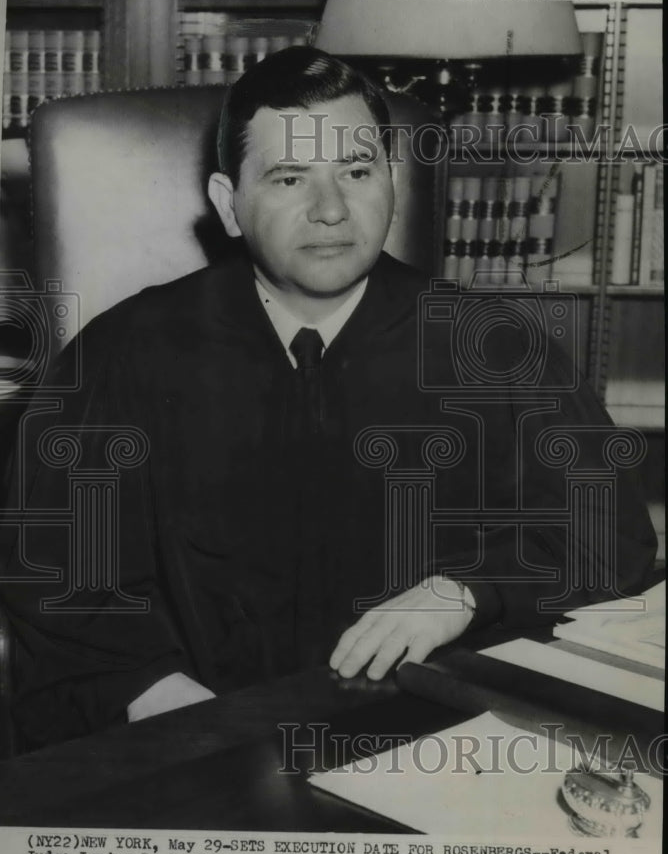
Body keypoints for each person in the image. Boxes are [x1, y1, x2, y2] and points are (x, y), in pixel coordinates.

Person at [1, 47, 657, 748]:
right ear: (229, 205)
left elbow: (606, 536)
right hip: (192, 734)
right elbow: (57, 571)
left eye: (356, 171)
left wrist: (468, 588)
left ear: (392, 184)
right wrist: (156, 697)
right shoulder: (125, 352)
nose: (331, 209)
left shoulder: (495, 350)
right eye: (289, 178)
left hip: (434, 735)